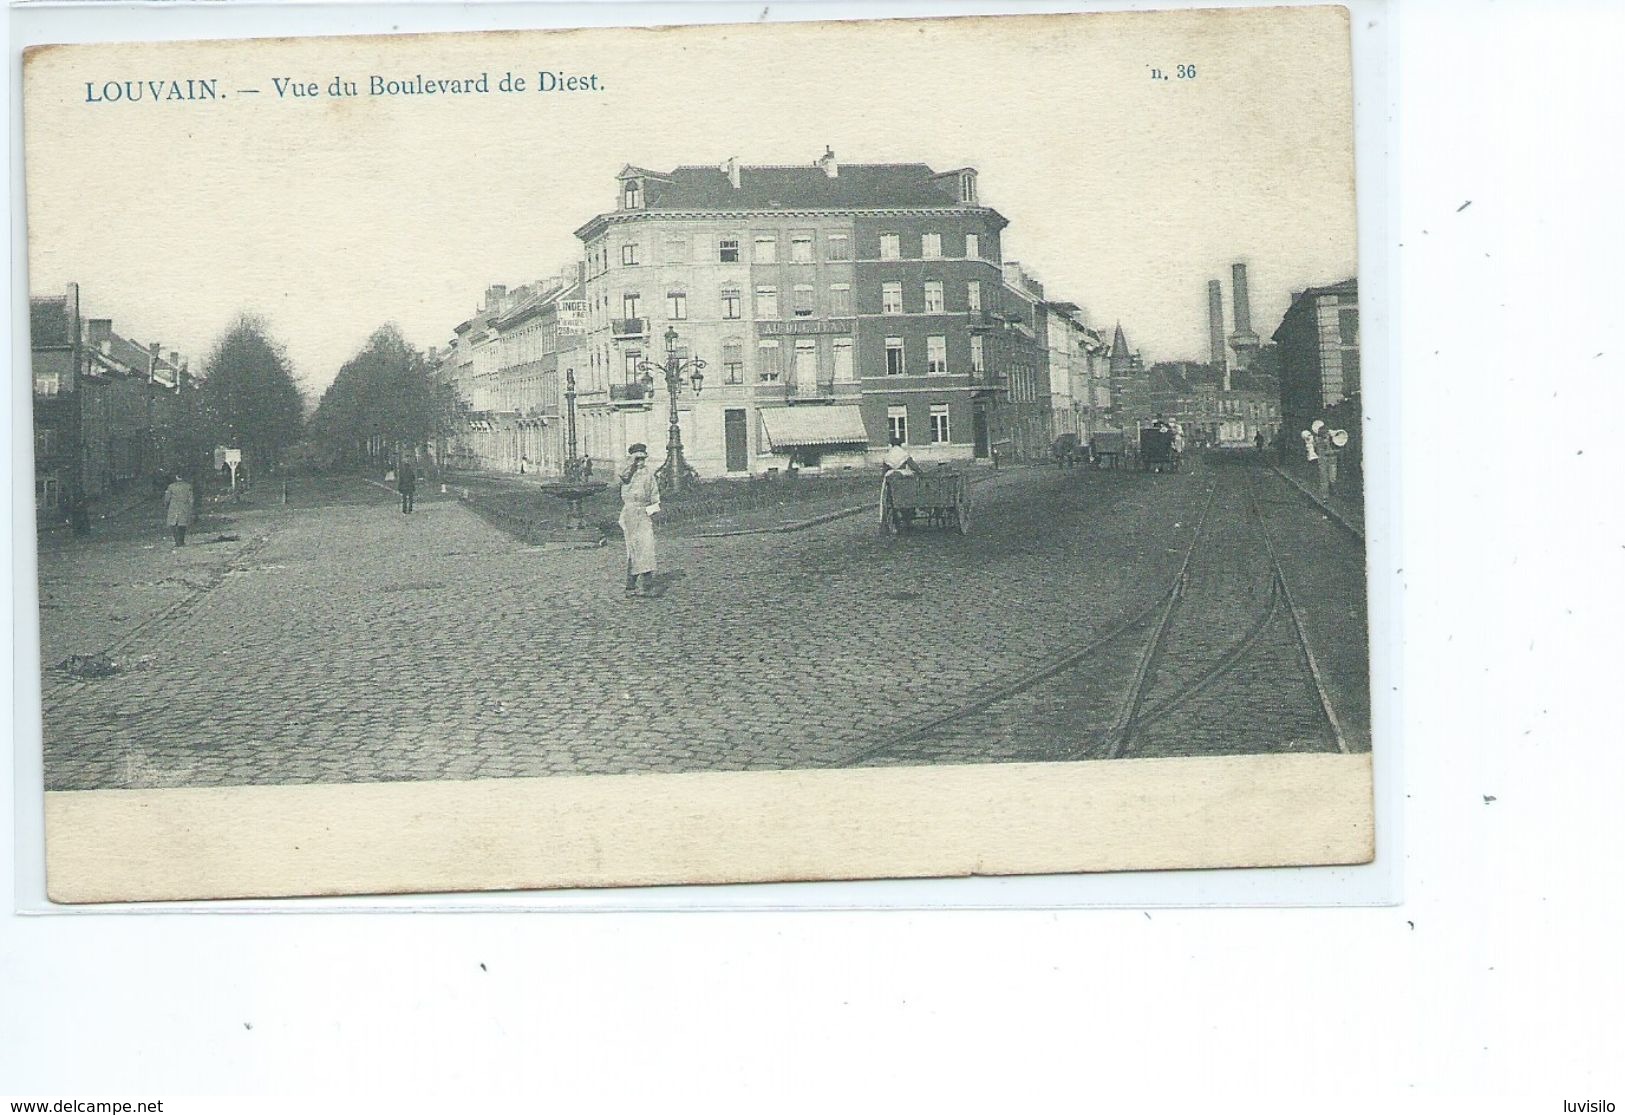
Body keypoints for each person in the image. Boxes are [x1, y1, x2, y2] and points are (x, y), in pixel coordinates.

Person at [618, 443, 660, 598]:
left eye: (643, 459)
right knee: (634, 549)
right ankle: (631, 585)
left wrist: (652, 512)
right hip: (630, 513)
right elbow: (623, 476)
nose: (640, 462)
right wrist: (631, 464)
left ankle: (647, 586)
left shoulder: (648, 474)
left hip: (643, 513)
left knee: (647, 547)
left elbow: (654, 495)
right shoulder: (628, 473)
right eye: (637, 459)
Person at [163, 472, 195, 547]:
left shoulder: (171, 486)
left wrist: (165, 505)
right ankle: (181, 541)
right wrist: (191, 508)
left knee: (172, 524)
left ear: (176, 477)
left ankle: (177, 541)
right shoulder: (188, 486)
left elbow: (167, 498)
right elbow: (191, 499)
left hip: (173, 507)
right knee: (182, 525)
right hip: (184, 507)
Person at [1311, 419, 1339, 499]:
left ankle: (1332, 488)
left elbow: (1338, 444)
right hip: (1323, 459)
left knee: (1332, 477)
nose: (1323, 431)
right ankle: (1325, 495)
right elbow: (1314, 449)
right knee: (1323, 478)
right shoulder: (1317, 439)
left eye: (1323, 429)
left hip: (1332, 458)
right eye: (1320, 430)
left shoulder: (1331, 436)